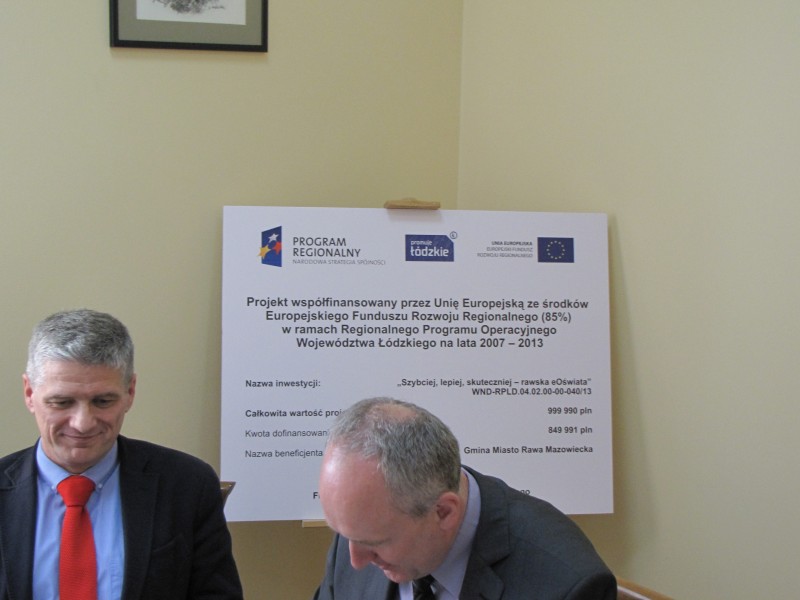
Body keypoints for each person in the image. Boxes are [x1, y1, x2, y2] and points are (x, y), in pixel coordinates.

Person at [0, 309, 243, 600]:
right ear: (30, 393)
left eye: (103, 401)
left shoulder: (187, 485)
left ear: (130, 392)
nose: (82, 423)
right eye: (62, 402)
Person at [312, 397, 616, 600]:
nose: (355, 561)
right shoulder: (360, 529)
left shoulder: (568, 585)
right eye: (342, 534)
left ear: (444, 512)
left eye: (376, 543)